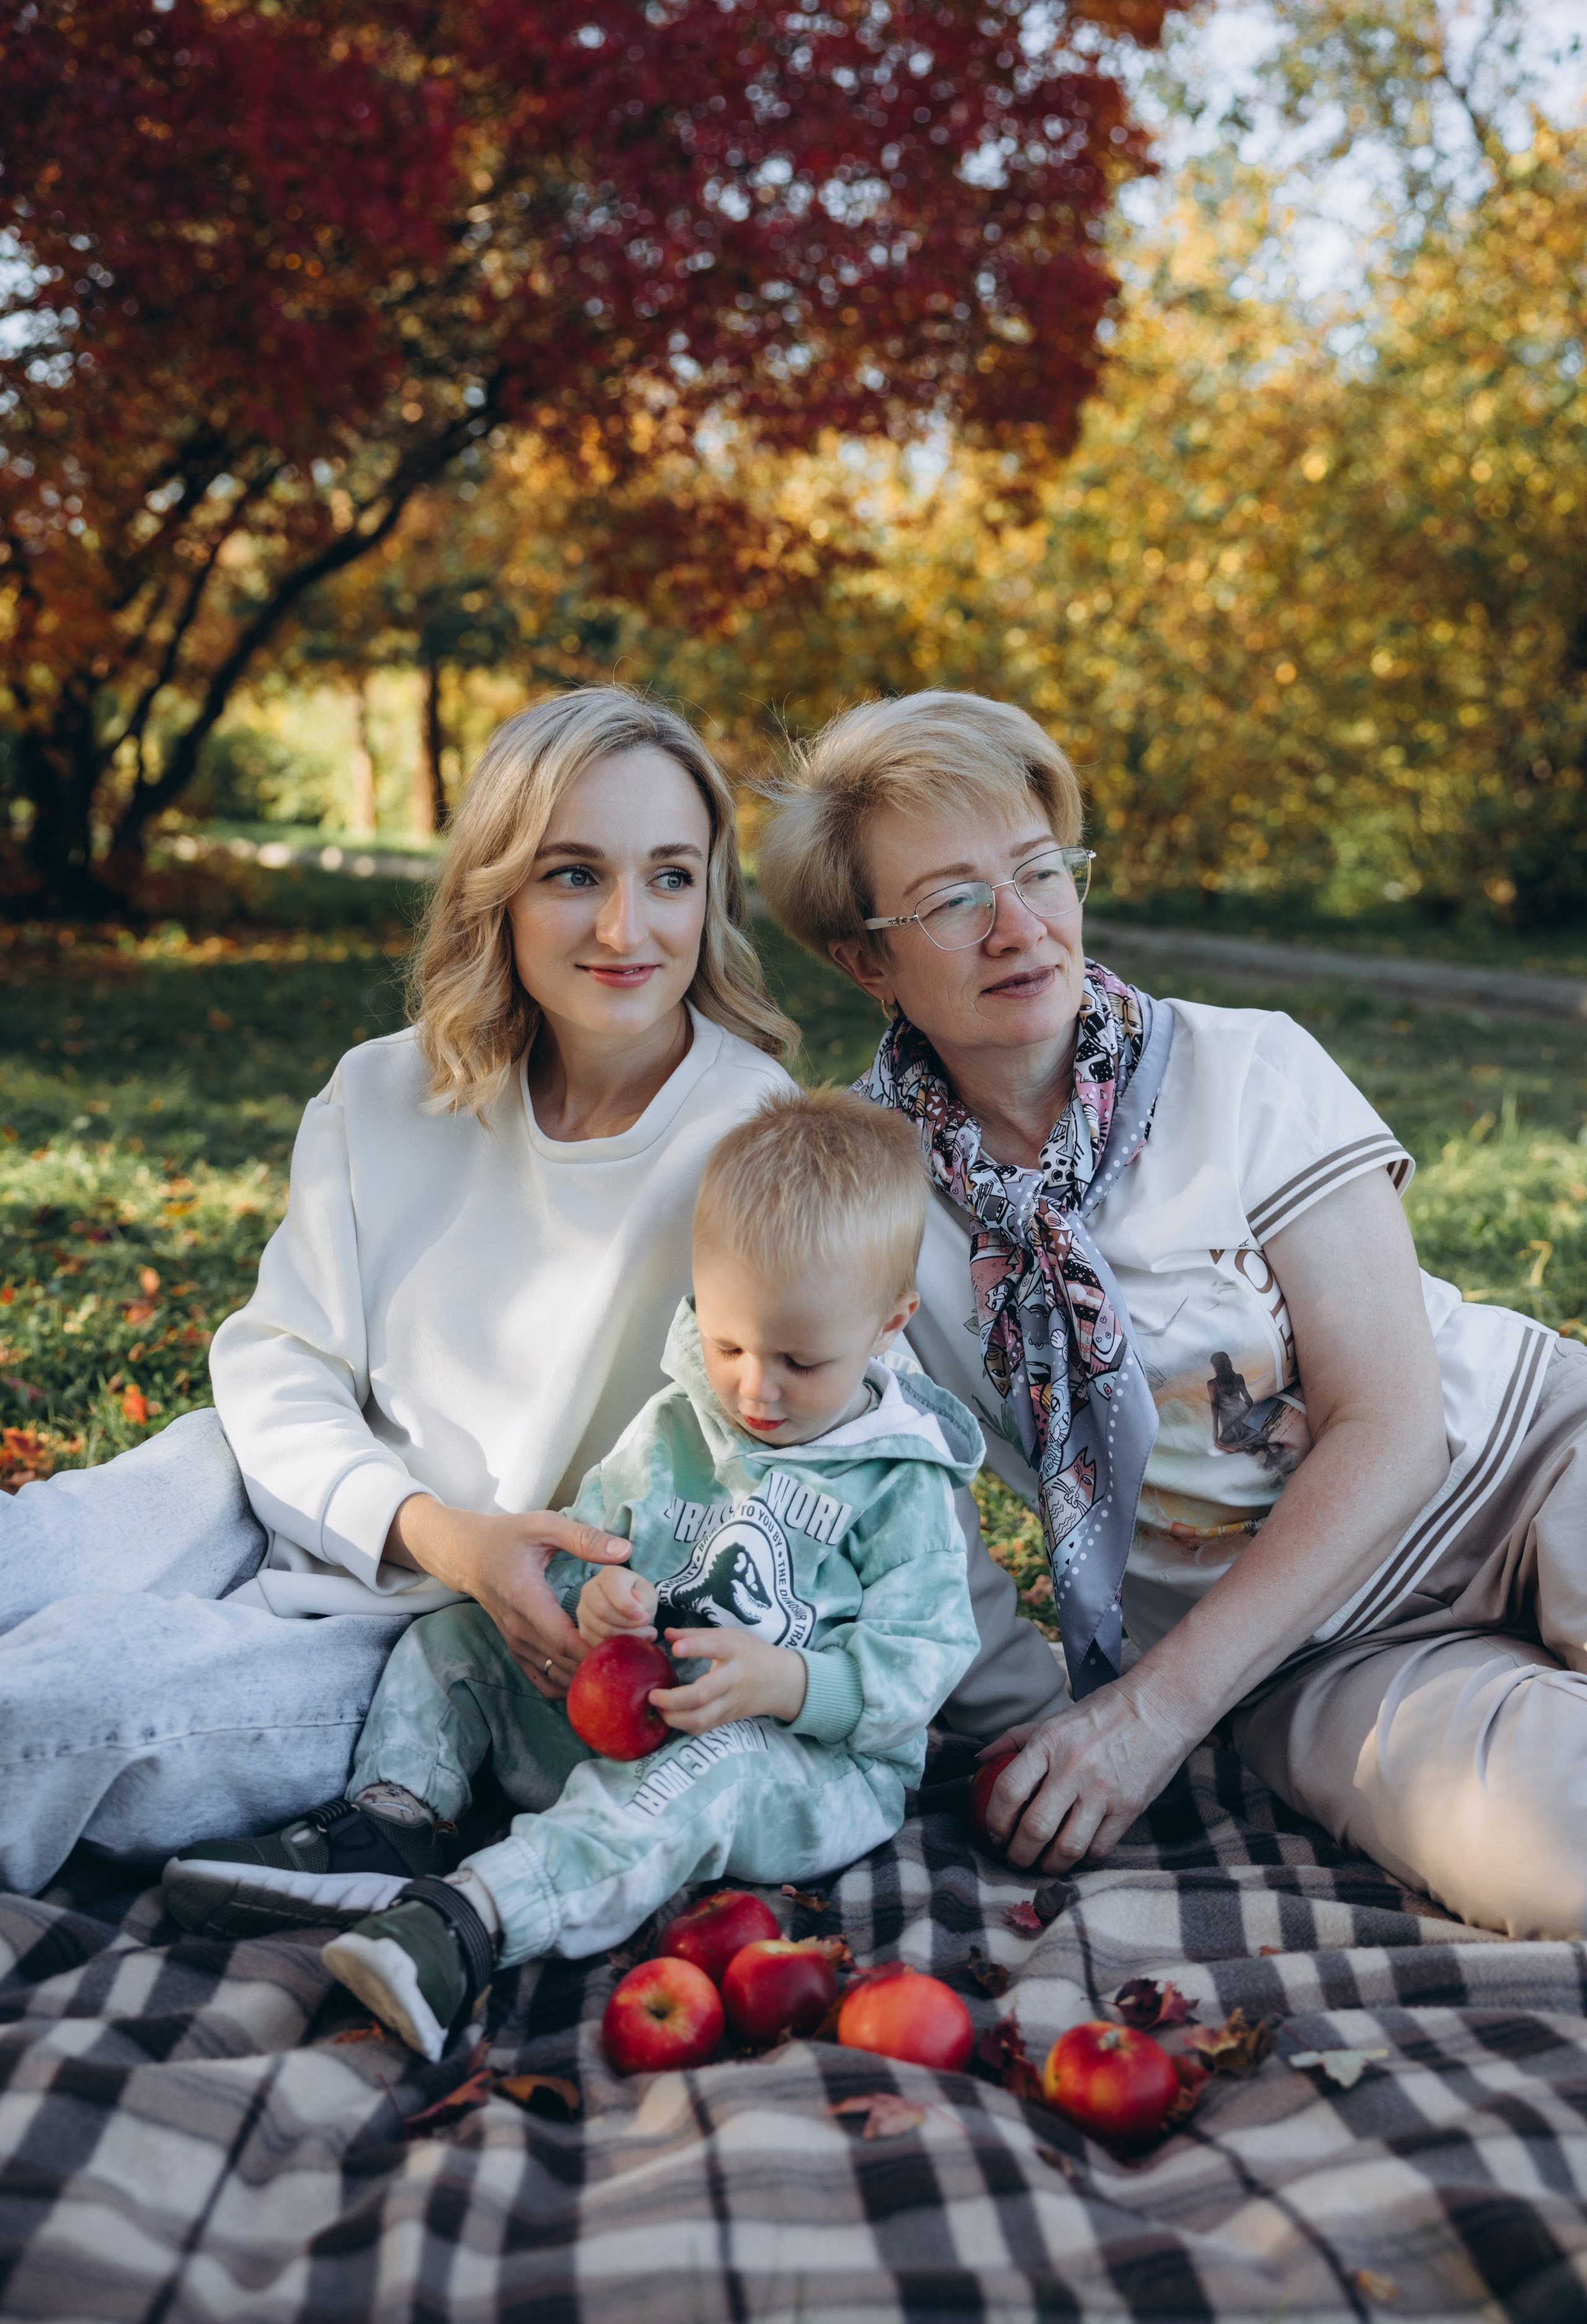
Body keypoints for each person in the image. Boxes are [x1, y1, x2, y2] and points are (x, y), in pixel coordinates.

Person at [758, 689, 1587, 1940]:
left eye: (1040, 870)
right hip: (1308, 1659)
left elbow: (1394, 1424)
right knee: (1560, 1857)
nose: (1019, 928)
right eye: (952, 900)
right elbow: (907, 1508)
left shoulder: (1245, 1068)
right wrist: (1049, 1720)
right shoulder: (863, 1204)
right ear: (864, 959)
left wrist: (1151, 1714)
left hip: (1523, 1466)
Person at [0, 687, 800, 1894]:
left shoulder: (754, 1147)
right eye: (573, 873)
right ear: (499, 888)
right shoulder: (384, 1091)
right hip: (276, 1484)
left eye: (671, 877)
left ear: (712, 897)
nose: (625, 925)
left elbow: (840, 1436)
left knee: (62, 1700)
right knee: (29, 1554)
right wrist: (418, 1520)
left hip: (453, 1632)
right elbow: (282, 1362)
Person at [161, 1090, 983, 2062]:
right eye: (728, 1345)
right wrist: (596, 1603)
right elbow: (595, 1540)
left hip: (799, 1769)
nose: (756, 1387)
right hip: (630, 1718)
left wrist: (790, 1683)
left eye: (801, 1361)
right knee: (453, 1636)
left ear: (890, 1323)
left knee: (709, 1767)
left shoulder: (900, 1481)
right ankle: (394, 1821)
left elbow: (925, 1658)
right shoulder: (679, 1423)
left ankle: (473, 1921)